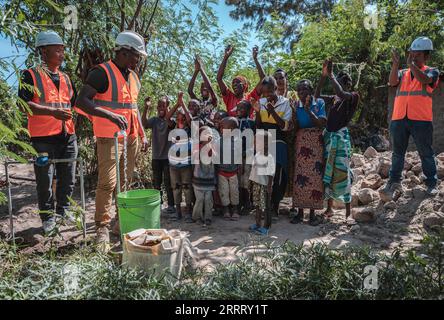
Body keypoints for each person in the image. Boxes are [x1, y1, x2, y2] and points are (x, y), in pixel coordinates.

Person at [76, 31, 149, 249]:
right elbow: (81, 102)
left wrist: (143, 134)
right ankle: (102, 228)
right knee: (107, 183)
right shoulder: (101, 72)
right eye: (136, 56)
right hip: (109, 137)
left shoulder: (134, 77)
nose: (138, 60)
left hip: (132, 136)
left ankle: (121, 222)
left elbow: (133, 109)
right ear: (125, 52)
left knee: (125, 183)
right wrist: (108, 115)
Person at [18, 31, 78, 234]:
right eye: (58, 50)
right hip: (43, 139)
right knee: (45, 179)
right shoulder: (30, 75)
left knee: (68, 177)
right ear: (44, 51)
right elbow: (22, 105)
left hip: (68, 136)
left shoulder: (66, 77)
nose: (62, 54)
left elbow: (74, 104)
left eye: (63, 50)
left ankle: (63, 212)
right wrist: (53, 112)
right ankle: (48, 217)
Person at [380, 37, 440, 199]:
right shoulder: (403, 73)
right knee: (398, 153)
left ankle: (431, 183)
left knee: (426, 153)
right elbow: (392, 82)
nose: (413, 57)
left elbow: (424, 80)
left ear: (426, 56)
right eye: (412, 54)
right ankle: (394, 181)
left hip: (421, 120)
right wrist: (394, 65)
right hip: (399, 118)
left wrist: (412, 66)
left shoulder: (432, 71)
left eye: (418, 55)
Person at [315, 59, 360, 219]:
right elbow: (317, 95)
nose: (339, 86)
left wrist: (331, 75)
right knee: (328, 172)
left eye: (342, 83)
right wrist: (323, 76)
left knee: (342, 172)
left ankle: (348, 212)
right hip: (329, 138)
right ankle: (329, 208)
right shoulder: (335, 98)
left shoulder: (353, 97)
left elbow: (341, 93)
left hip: (341, 139)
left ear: (347, 84)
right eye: (338, 82)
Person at [252, 76, 292, 218]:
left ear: (276, 89)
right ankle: (263, 206)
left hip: (279, 142)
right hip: (264, 142)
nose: (267, 95)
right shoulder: (261, 102)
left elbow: (284, 127)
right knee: (263, 175)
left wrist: (272, 112)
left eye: (270, 92)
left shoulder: (285, 103)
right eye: (264, 93)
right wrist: (257, 112)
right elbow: (258, 126)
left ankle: (275, 205)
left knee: (278, 176)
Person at [291, 80, 327, 226]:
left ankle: (312, 214)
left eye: (304, 89)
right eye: (299, 90)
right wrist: (294, 115)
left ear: (311, 90)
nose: (301, 92)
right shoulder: (295, 105)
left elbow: (322, 122)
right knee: (300, 176)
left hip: (316, 141)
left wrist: (308, 110)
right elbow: (297, 126)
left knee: (314, 176)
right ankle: (300, 213)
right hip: (302, 141)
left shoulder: (319, 103)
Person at [142, 95, 176, 215]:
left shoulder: (171, 120)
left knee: (168, 182)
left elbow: (170, 123)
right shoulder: (155, 120)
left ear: (168, 106)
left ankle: (171, 205)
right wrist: (146, 108)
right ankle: (158, 203)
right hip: (156, 157)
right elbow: (144, 124)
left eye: (163, 105)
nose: (161, 108)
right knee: (156, 182)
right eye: (159, 106)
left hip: (167, 157)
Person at [167, 92, 194, 222]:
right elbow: (167, 117)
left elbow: (189, 119)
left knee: (187, 187)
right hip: (173, 165)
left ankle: (188, 212)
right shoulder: (172, 128)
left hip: (186, 165)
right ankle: (178, 212)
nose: (180, 121)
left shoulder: (189, 129)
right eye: (177, 119)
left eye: (182, 119)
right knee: (176, 187)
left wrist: (182, 103)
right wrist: (177, 104)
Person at [216, 45, 263, 117]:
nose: (234, 84)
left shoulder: (251, 97)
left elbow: (263, 78)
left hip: (247, 127)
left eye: (237, 82)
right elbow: (219, 78)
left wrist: (255, 59)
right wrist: (225, 58)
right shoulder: (229, 97)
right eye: (233, 83)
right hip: (230, 127)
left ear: (244, 85)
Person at [248, 130, 275, 235]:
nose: (254, 144)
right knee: (257, 205)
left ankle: (266, 227)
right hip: (256, 184)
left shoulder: (269, 157)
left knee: (266, 206)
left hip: (264, 185)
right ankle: (258, 224)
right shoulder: (257, 155)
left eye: (256, 142)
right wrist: (250, 183)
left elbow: (271, 174)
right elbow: (253, 170)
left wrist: (269, 186)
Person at [217, 117, 241, 220]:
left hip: (233, 172)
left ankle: (235, 210)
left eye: (223, 127)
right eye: (220, 127)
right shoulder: (219, 141)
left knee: (234, 191)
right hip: (222, 172)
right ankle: (226, 210)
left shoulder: (236, 142)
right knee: (223, 191)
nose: (221, 129)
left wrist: (240, 168)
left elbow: (239, 157)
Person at [192, 126, 217, 226]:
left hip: (209, 179)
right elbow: (195, 157)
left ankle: (208, 217)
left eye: (208, 134)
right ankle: (197, 217)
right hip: (198, 179)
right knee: (199, 199)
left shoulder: (212, 146)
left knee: (208, 199)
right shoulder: (197, 146)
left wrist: (209, 146)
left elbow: (215, 157)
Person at [236, 100, 256, 214]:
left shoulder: (251, 123)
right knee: (238, 178)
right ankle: (239, 203)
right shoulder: (233, 122)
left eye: (242, 108)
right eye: (238, 108)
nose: (239, 110)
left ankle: (248, 202)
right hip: (236, 155)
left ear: (249, 110)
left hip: (248, 154)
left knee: (247, 178)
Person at [188, 55, 218, 122]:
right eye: (202, 87)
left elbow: (210, 87)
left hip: (209, 129)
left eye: (206, 87)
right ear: (200, 90)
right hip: (196, 127)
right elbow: (190, 91)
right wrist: (196, 71)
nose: (204, 88)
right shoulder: (197, 102)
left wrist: (201, 69)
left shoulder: (213, 102)